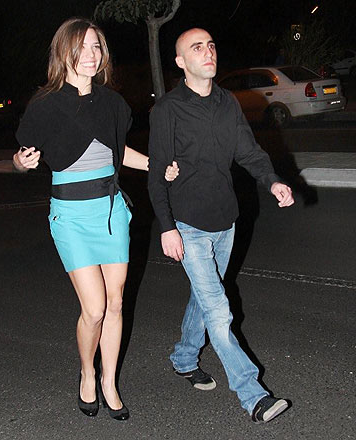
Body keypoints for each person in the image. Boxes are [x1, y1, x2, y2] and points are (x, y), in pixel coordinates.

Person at [13, 17, 179, 421]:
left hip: (110, 212)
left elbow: (118, 153)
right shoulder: (45, 105)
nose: (90, 55)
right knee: (94, 309)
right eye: (82, 47)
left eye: (96, 47)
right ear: (64, 52)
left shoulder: (112, 104)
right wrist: (21, 162)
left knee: (116, 303)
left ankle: (109, 382)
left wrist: (156, 165)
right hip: (71, 217)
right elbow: (21, 156)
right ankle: (88, 372)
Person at [148, 28, 295, 424]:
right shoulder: (168, 109)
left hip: (225, 221)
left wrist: (272, 181)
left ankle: (183, 358)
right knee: (218, 309)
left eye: (211, 45)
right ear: (181, 62)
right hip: (188, 224)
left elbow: (249, 151)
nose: (208, 51)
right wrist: (167, 226)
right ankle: (253, 396)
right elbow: (157, 173)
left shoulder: (227, 102)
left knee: (204, 296)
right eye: (197, 47)